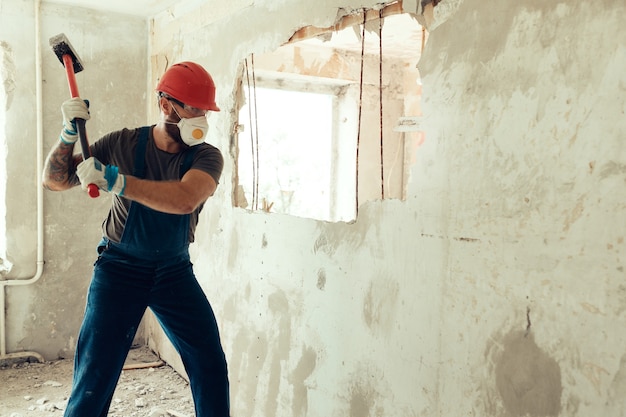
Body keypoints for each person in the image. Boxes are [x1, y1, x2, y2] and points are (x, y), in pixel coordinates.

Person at [42, 61, 230, 417]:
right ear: (165, 105)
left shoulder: (206, 156)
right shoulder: (123, 144)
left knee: (209, 363)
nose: (201, 117)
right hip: (118, 270)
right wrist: (67, 135)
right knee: (94, 376)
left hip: (174, 272)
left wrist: (119, 183)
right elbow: (56, 179)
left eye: (205, 110)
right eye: (193, 108)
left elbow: (186, 198)